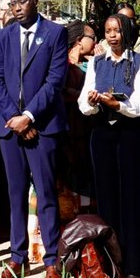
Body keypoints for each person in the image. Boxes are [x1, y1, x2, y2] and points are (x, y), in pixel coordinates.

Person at [0, 0, 69, 278]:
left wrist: (29, 116)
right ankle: (17, 257)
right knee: (15, 194)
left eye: (21, 2)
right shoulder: (4, 36)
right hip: (10, 127)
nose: (16, 8)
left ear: (35, 2)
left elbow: (55, 80)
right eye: (12, 3)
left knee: (46, 194)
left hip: (43, 126)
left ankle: (51, 261)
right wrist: (15, 118)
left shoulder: (55, 33)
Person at [77, 14, 140, 278]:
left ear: (127, 33)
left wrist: (117, 105)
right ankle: (111, 264)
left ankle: (134, 264)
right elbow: (83, 104)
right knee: (107, 199)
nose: (112, 35)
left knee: (132, 200)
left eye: (117, 31)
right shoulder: (96, 63)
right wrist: (92, 101)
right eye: (108, 31)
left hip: (132, 135)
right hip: (103, 135)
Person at [59, 20, 97, 202]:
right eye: (92, 37)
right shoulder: (61, 63)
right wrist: (82, 95)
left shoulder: (91, 64)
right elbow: (60, 91)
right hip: (67, 131)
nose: (96, 42)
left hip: (86, 129)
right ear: (79, 40)